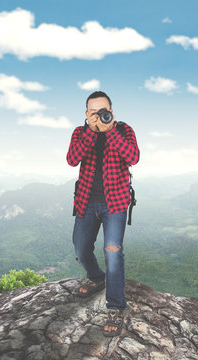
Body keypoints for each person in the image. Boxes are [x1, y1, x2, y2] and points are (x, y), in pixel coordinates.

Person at [66, 91, 139, 337]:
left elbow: (133, 157)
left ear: (112, 110)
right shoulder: (80, 132)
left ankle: (116, 307)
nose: (99, 115)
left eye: (103, 110)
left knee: (113, 251)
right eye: (93, 112)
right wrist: (91, 131)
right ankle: (97, 278)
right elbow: (71, 159)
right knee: (80, 248)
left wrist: (109, 131)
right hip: (86, 200)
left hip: (115, 203)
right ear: (86, 114)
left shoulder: (123, 130)